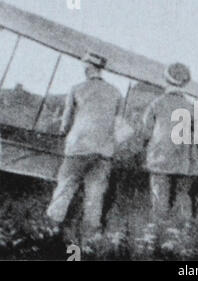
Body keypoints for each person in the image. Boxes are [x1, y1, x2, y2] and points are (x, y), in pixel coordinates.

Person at [46, 53, 122, 236]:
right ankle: (90, 236)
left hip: (78, 147)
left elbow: (65, 122)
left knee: (65, 187)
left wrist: (63, 131)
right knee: (95, 194)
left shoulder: (76, 88)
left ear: (87, 69)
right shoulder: (116, 92)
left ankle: (52, 227)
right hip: (103, 151)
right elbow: (118, 124)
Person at [142, 63, 198, 222]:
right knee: (183, 197)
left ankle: (158, 233)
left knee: (159, 197)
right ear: (185, 83)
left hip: (160, 157)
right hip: (185, 160)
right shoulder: (191, 107)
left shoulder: (157, 103)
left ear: (166, 80)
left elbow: (145, 132)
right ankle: (184, 233)